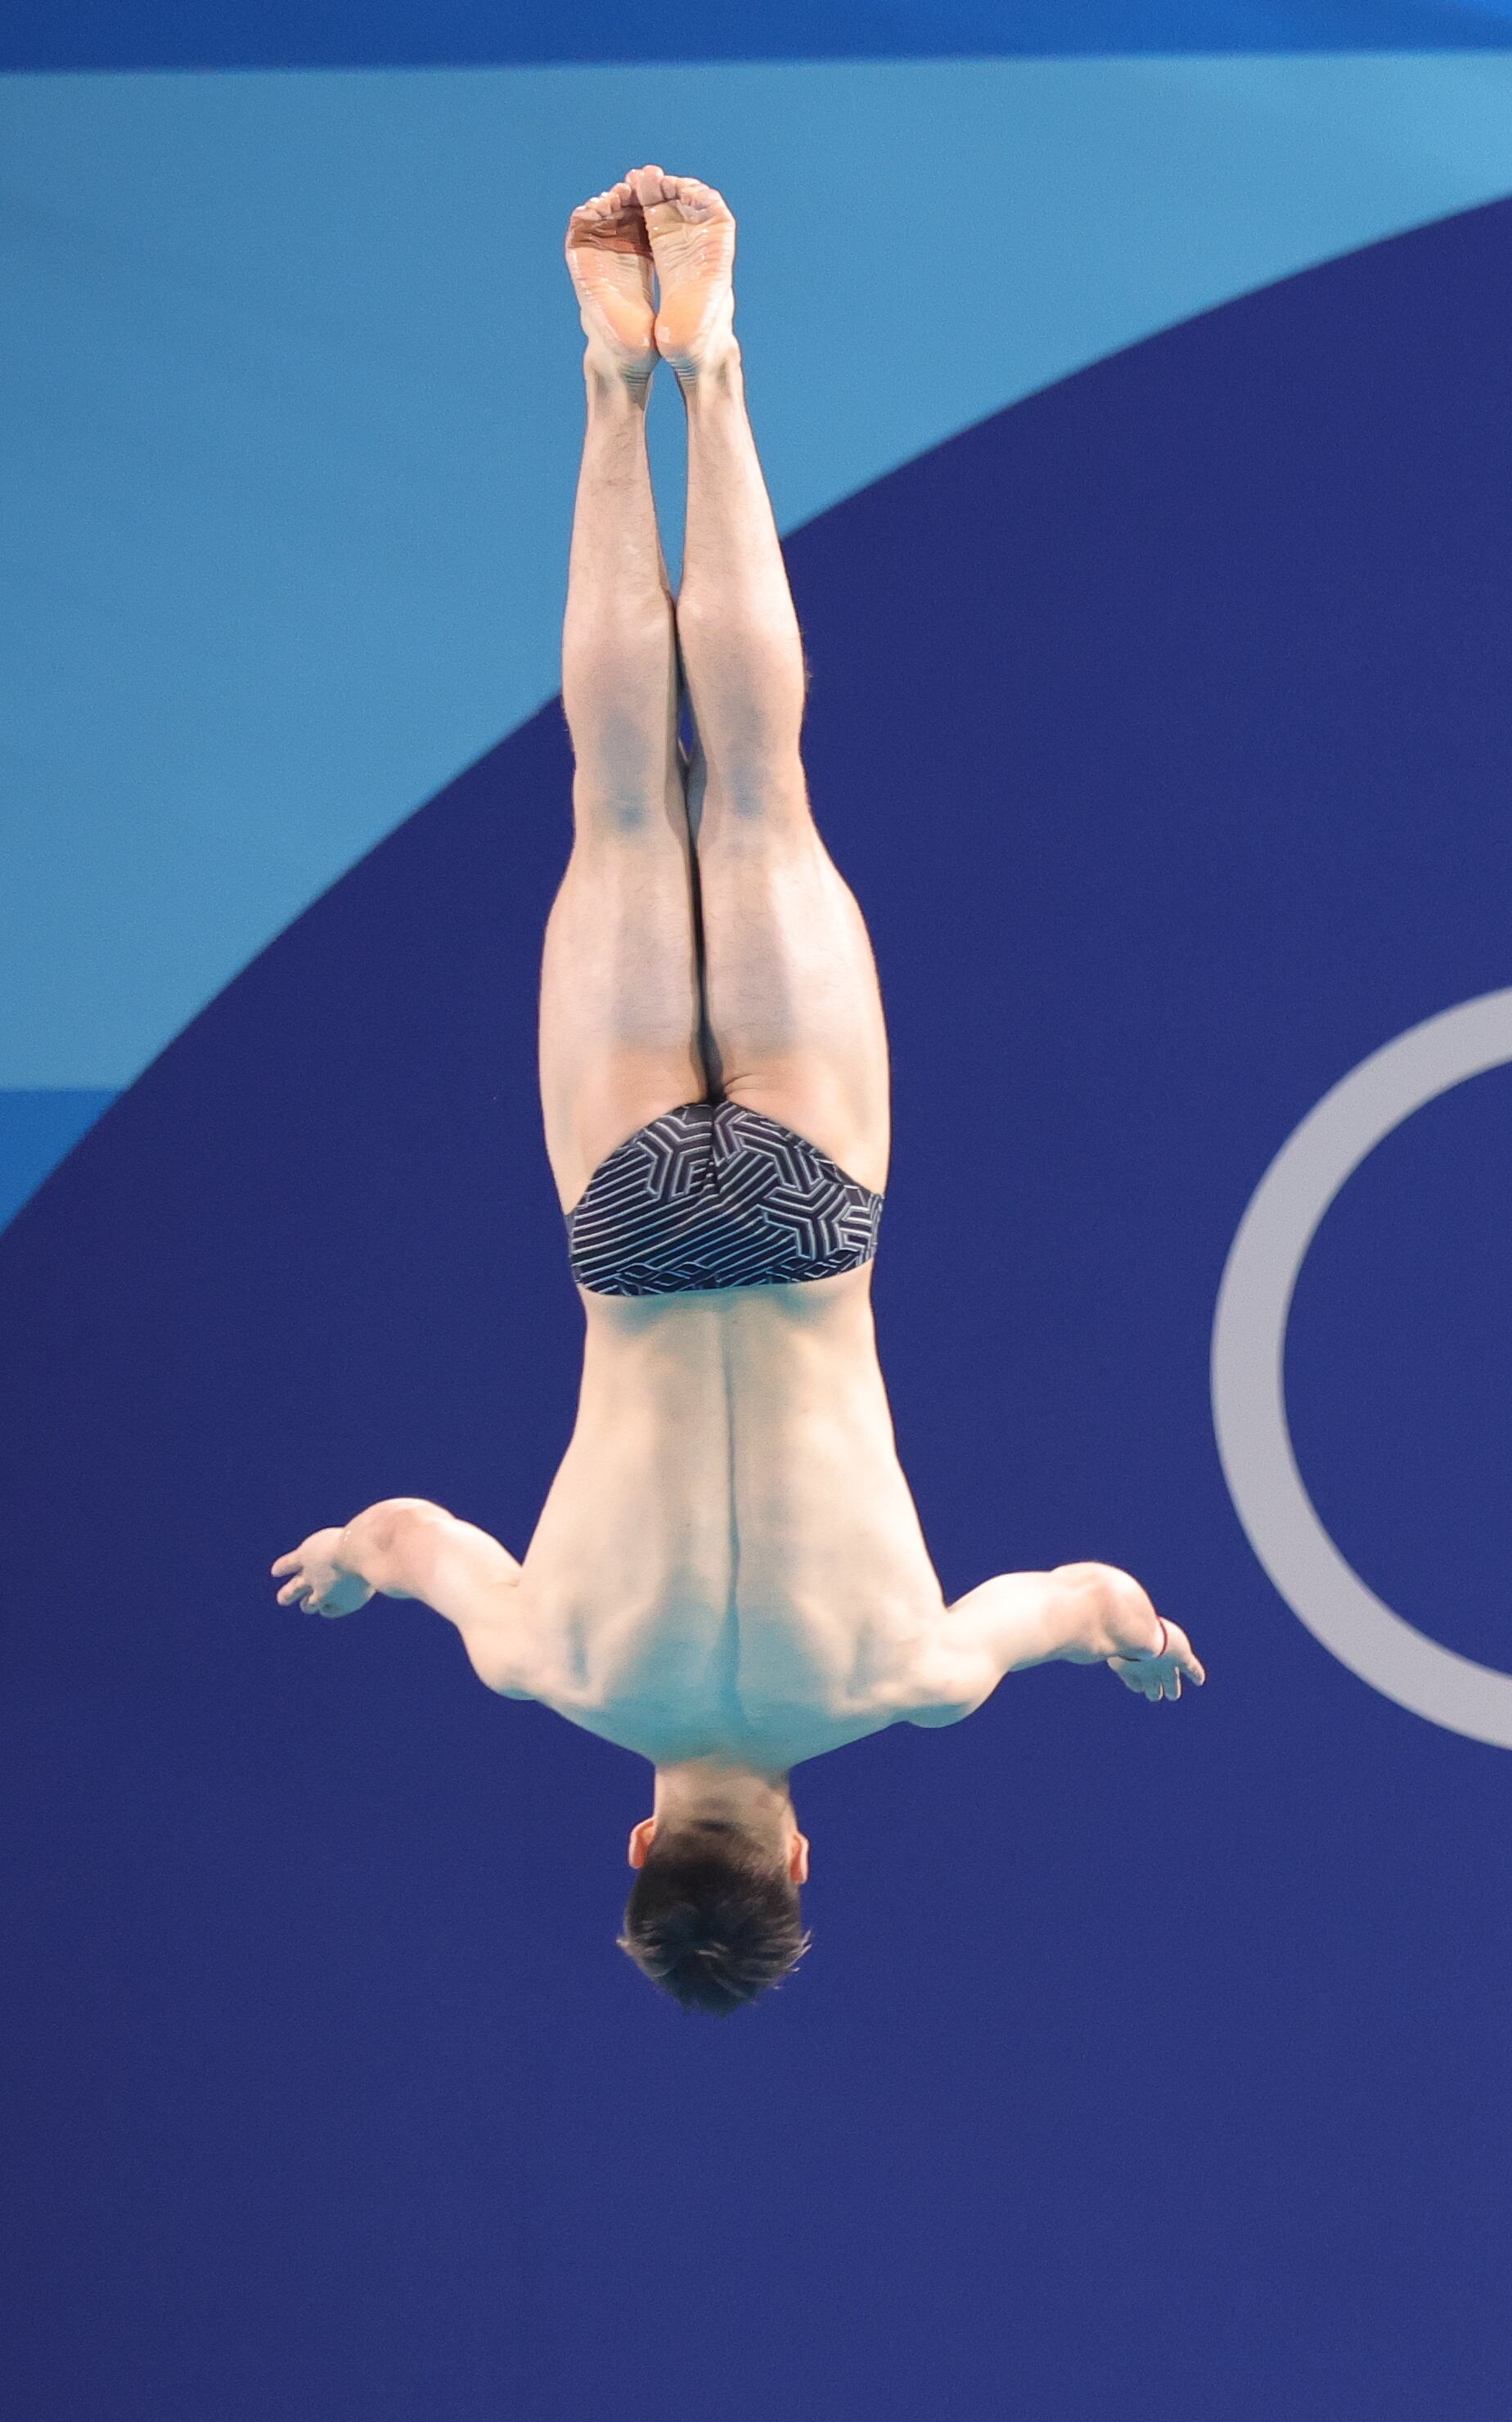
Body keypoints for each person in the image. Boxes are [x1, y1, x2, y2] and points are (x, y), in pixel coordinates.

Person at [271, 169, 1201, 2015]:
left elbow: (1085, 1596)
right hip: (632, 1231)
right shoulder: (554, 1659)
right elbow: (402, 1535)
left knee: (758, 785)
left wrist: (1147, 1651)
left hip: (804, 1219)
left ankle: (716, 369)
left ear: (793, 1854)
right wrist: (349, 1577)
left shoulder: (900, 1677)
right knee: (620, 795)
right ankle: (618, 384)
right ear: (641, 1847)